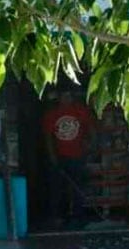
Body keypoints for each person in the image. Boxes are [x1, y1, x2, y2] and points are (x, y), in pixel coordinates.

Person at [41, 90, 94, 227]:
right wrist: (52, 157)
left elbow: (90, 129)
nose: (66, 98)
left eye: (69, 95)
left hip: (78, 156)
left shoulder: (80, 111)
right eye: (64, 95)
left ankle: (78, 216)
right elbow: (48, 137)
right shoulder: (52, 114)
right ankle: (56, 216)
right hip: (59, 157)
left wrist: (88, 144)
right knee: (57, 188)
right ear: (59, 97)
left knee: (77, 188)